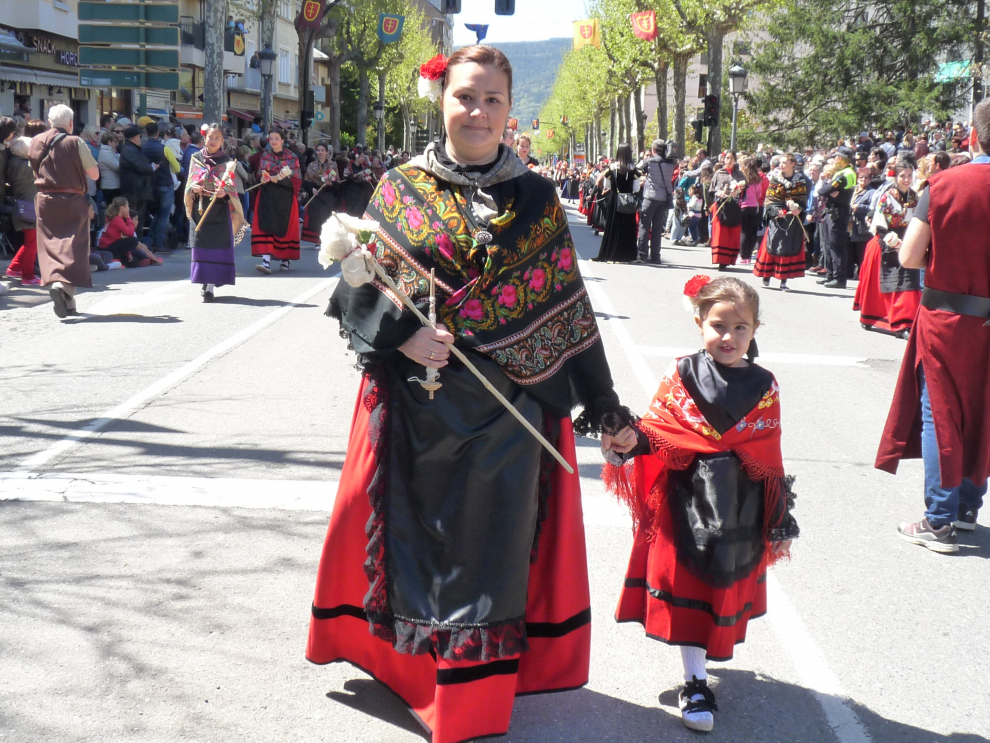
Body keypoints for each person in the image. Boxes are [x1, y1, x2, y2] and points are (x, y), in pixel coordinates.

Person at [307, 44, 634, 743]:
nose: (478, 111)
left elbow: (567, 310)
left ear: (511, 110)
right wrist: (402, 338)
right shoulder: (400, 186)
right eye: (465, 97)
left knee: (487, 553)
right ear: (443, 101)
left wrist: (605, 404)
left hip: (510, 413)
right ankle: (412, 673)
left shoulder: (538, 198)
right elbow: (360, 285)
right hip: (417, 407)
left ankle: (467, 702)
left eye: (492, 100)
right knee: (415, 543)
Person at [602, 275, 798, 733]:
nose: (728, 337)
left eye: (740, 328)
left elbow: (767, 449)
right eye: (718, 325)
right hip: (683, 501)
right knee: (688, 591)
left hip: (738, 508)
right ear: (699, 323)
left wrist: (773, 509)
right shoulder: (682, 374)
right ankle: (695, 681)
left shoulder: (764, 385)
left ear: (755, 330)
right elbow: (659, 430)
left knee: (718, 591)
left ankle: (700, 667)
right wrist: (629, 439)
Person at [876, 98, 990, 553]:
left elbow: (907, 255)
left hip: (947, 316)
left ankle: (939, 518)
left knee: (941, 411)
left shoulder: (945, 183)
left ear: (974, 136)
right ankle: (965, 507)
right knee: (983, 409)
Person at [27, 104, 100, 318]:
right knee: (73, 248)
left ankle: (69, 302)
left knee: (51, 247)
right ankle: (63, 288)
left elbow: (34, 170)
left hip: (44, 199)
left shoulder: (35, 141)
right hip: (72, 199)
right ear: (70, 122)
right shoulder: (75, 141)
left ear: (50, 122)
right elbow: (94, 174)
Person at [853, 161, 921, 338]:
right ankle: (873, 317)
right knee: (887, 280)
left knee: (908, 280)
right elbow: (879, 224)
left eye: (909, 176)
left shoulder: (914, 197)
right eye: (902, 176)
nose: (906, 179)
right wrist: (892, 241)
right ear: (895, 177)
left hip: (907, 239)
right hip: (886, 239)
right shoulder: (886, 196)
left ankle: (905, 321)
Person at [185, 123, 243, 302]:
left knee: (216, 249)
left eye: (217, 138)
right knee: (202, 248)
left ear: (222, 141)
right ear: (205, 138)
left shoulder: (227, 162)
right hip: (199, 209)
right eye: (211, 137)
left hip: (218, 210)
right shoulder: (195, 158)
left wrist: (225, 192)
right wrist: (193, 188)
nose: (213, 141)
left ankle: (209, 286)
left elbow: (232, 187)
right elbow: (189, 181)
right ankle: (204, 281)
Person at [753, 152, 809, 291]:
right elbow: (770, 199)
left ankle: (783, 280)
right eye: (781, 163)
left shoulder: (800, 180)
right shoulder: (775, 179)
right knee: (772, 245)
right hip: (777, 218)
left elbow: (802, 200)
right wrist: (775, 211)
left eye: (785, 163)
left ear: (793, 164)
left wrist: (799, 209)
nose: (782, 165)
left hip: (792, 219)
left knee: (788, 248)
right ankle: (767, 274)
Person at [250, 129, 301, 274]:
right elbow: (259, 175)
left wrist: (280, 179)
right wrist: (263, 178)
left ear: (283, 140)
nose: (273, 141)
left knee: (284, 228)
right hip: (267, 195)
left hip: (284, 197)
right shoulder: (265, 155)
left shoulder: (292, 157)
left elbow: (296, 180)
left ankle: (286, 258)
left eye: (276, 138)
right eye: (271, 138)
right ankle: (266, 262)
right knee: (266, 225)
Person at [816, 146, 856, 288]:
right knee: (828, 245)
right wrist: (828, 191)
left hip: (838, 212)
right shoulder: (843, 172)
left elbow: (823, 190)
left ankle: (839, 278)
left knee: (836, 246)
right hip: (832, 211)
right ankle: (830, 275)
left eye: (834, 159)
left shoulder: (844, 174)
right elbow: (826, 191)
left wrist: (828, 190)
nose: (833, 162)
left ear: (839, 159)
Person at [593, 143, 641, 263]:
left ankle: (611, 254)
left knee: (613, 226)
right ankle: (628, 255)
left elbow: (607, 185)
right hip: (628, 199)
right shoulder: (633, 168)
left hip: (615, 199)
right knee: (628, 227)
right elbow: (636, 188)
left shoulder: (612, 167)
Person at [3, 136, 41, 284]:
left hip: (24, 206)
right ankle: (28, 276)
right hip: (28, 207)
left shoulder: (14, 163)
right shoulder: (25, 166)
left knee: (30, 241)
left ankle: (14, 267)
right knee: (32, 242)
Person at [141, 122, 180, 252]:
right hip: (165, 183)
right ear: (158, 133)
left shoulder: (142, 148)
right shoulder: (164, 148)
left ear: (146, 133)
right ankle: (159, 243)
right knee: (163, 216)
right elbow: (177, 167)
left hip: (151, 185)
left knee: (157, 215)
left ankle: (150, 241)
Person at [637, 138, 675, 264]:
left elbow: (637, 170)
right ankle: (655, 256)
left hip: (650, 197)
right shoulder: (671, 163)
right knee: (657, 228)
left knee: (644, 226)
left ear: (653, 149)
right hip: (663, 198)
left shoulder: (650, 161)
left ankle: (642, 254)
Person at [98, 197, 162, 267]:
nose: (128, 209)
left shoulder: (117, 218)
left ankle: (149, 258)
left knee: (134, 262)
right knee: (134, 240)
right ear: (122, 208)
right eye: (127, 206)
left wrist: (128, 253)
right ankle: (153, 258)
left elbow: (123, 238)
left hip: (114, 246)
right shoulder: (117, 219)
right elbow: (130, 233)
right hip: (108, 248)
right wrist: (128, 217)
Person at [709, 152, 745, 270]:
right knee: (721, 234)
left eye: (731, 158)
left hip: (734, 206)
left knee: (732, 233)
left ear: (735, 160)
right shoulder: (719, 173)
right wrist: (718, 193)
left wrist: (738, 193)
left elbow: (745, 192)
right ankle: (720, 260)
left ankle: (728, 258)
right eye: (727, 158)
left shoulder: (740, 175)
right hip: (720, 206)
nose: (729, 160)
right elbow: (711, 191)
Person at [118, 124, 155, 242]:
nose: (141, 139)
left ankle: (138, 245)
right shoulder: (129, 151)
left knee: (139, 219)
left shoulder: (133, 150)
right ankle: (135, 246)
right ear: (134, 137)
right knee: (134, 220)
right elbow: (140, 167)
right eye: (139, 136)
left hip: (139, 191)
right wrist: (152, 167)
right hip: (134, 192)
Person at [301, 142, 339, 244]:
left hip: (328, 193)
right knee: (316, 216)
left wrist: (330, 183)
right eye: (318, 150)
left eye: (323, 150)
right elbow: (306, 181)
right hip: (316, 193)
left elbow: (338, 182)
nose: (320, 152)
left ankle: (327, 240)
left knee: (327, 217)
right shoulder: (311, 165)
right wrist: (312, 189)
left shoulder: (333, 165)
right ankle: (317, 240)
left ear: (327, 152)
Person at [738, 155, 765, 265]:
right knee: (752, 231)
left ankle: (742, 255)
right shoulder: (757, 178)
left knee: (744, 231)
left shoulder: (742, 178)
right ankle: (748, 256)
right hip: (754, 206)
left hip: (744, 205)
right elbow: (759, 194)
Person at [97, 130, 122, 204]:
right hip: (110, 186)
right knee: (113, 207)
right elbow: (117, 167)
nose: (116, 144)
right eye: (115, 141)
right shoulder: (106, 153)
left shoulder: (110, 152)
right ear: (109, 142)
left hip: (113, 184)